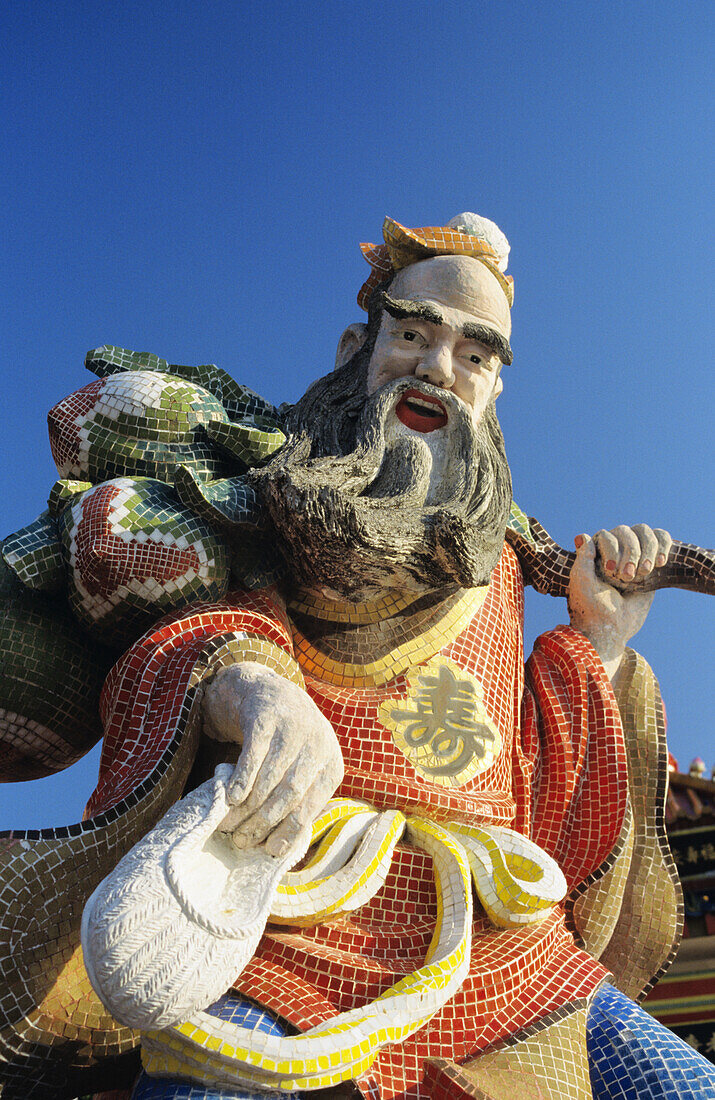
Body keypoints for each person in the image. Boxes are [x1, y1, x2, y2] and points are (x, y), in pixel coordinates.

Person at [2, 214, 713, 1100]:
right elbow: (176, 640)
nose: (436, 367)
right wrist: (247, 684)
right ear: (356, 346)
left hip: (502, 945)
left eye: (474, 354)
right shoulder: (278, 499)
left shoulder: (499, 562)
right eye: (412, 333)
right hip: (287, 921)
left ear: (494, 385)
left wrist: (598, 639)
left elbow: (539, 795)